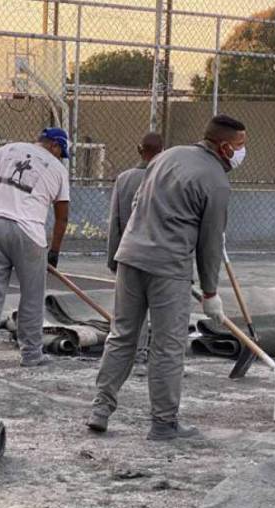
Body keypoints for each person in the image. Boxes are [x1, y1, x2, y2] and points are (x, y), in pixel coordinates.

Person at [88, 114, 246, 441]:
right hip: (168, 267)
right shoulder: (216, 180)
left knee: (122, 336)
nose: (244, 152)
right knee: (168, 346)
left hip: (131, 257)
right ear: (225, 146)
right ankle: (163, 423)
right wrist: (210, 292)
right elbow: (210, 242)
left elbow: (135, 202)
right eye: (241, 146)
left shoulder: (167, 156)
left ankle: (100, 410)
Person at [0, 127, 71, 368]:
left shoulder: (10, 148)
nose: (59, 156)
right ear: (55, 146)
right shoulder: (58, 169)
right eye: (60, 152)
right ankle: (31, 355)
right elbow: (62, 217)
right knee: (32, 297)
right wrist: (54, 252)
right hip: (29, 233)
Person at [106, 132, 164, 375]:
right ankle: (159, 356)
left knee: (128, 313)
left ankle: (135, 354)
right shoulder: (167, 179)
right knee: (161, 310)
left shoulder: (124, 179)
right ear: (163, 151)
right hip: (161, 254)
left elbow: (115, 221)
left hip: (129, 253)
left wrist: (113, 257)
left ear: (139, 149)